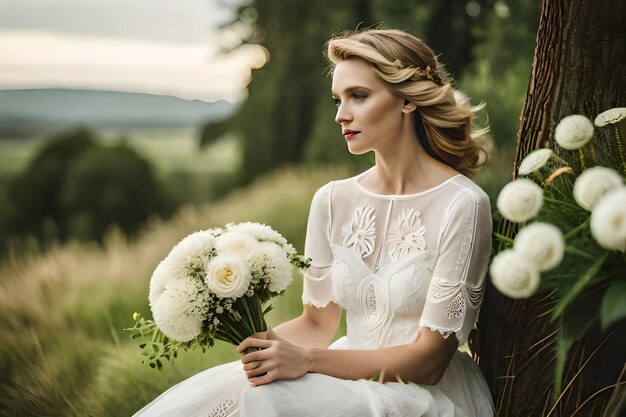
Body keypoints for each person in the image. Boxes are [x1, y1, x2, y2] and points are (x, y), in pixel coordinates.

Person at [134, 28, 494, 417]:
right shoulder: (332, 200)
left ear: (407, 99)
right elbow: (317, 323)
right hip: (340, 375)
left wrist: (305, 361)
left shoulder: (464, 204)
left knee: (272, 401)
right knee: (218, 400)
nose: (341, 114)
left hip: (427, 396)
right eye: (338, 99)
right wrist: (244, 329)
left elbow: (429, 361)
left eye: (359, 96)